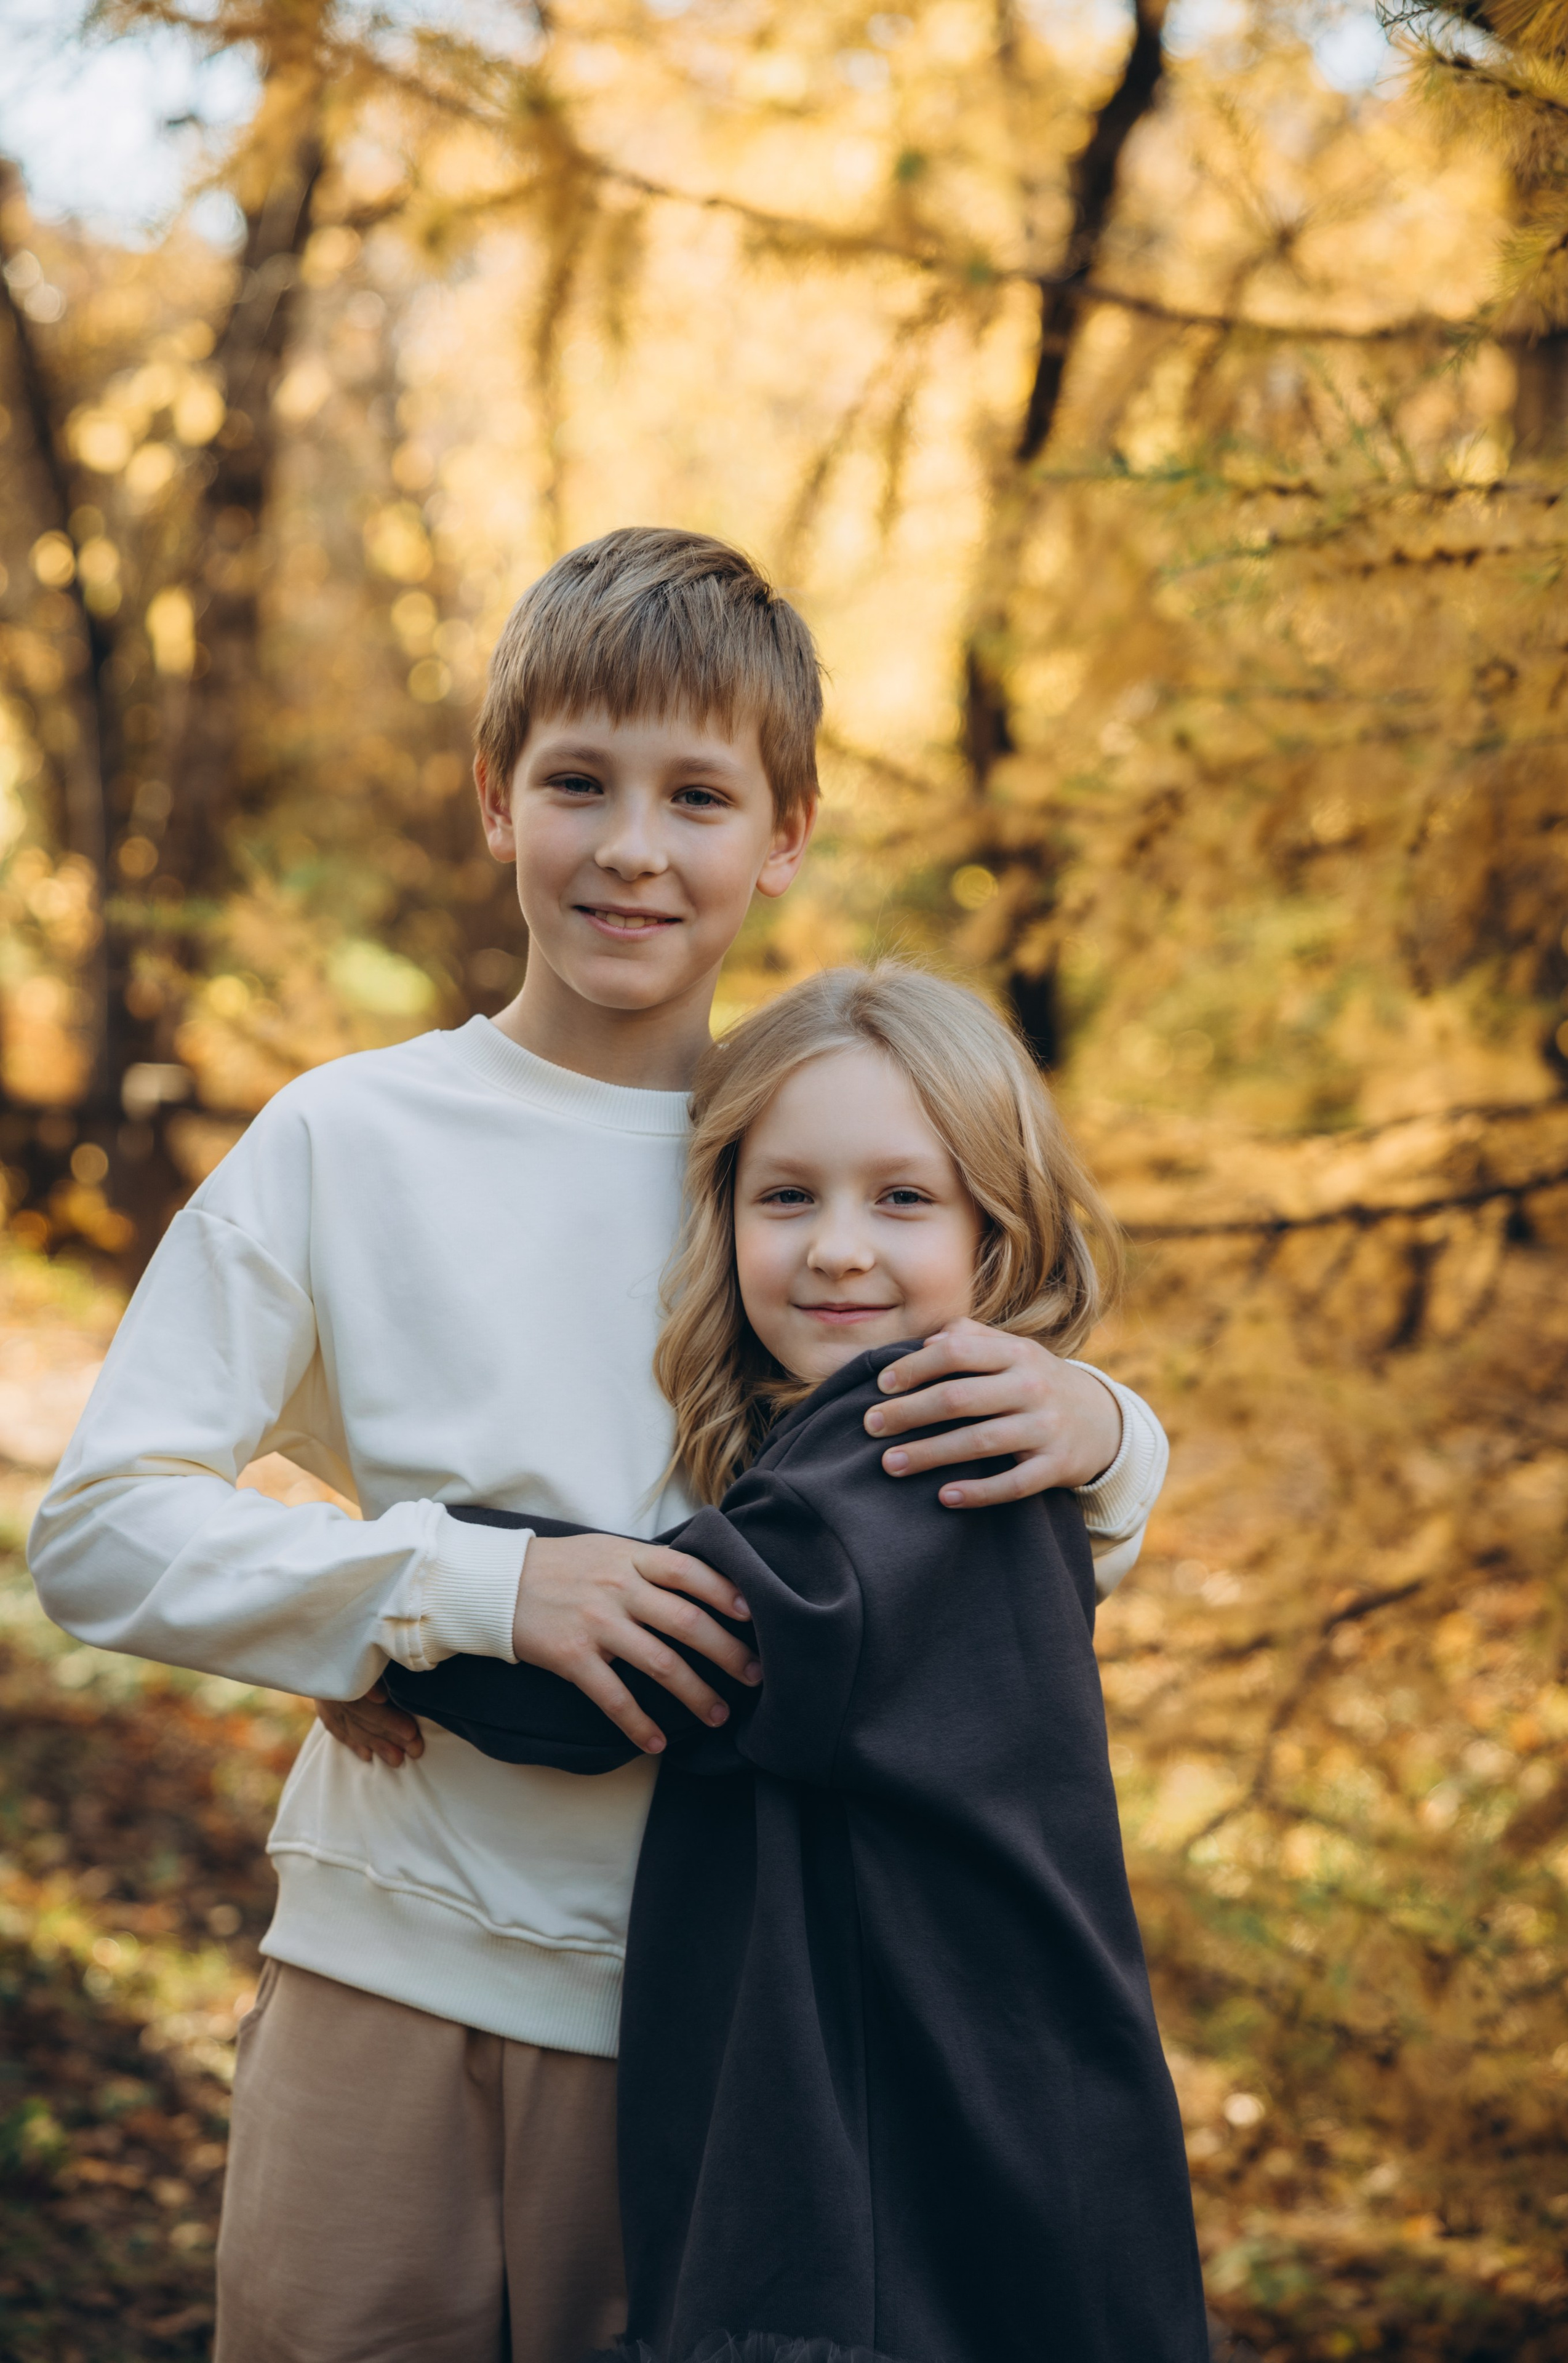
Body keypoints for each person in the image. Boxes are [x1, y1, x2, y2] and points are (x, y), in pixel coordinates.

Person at [27, 530, 1172, 2363]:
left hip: (724, 2028)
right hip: (380, 1975)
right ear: (499, 799)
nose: (633, 848)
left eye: (699, 795)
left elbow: (951, 1566)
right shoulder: (351, 1139)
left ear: (783, 835)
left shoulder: (808, 1162)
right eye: (579, 782)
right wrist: (442, 1588)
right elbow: (98, 1534)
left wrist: (1114, 1438)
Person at [388, 962, 1209, 2363]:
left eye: (903, 1198)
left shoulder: (912, 1450)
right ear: (721, 1216)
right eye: (788, 1196)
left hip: (900, 2133)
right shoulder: (910, 1448)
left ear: (997, 1234)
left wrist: (401, 1606)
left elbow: (654, 1658)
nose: (838, 1248)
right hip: (968, 2088)